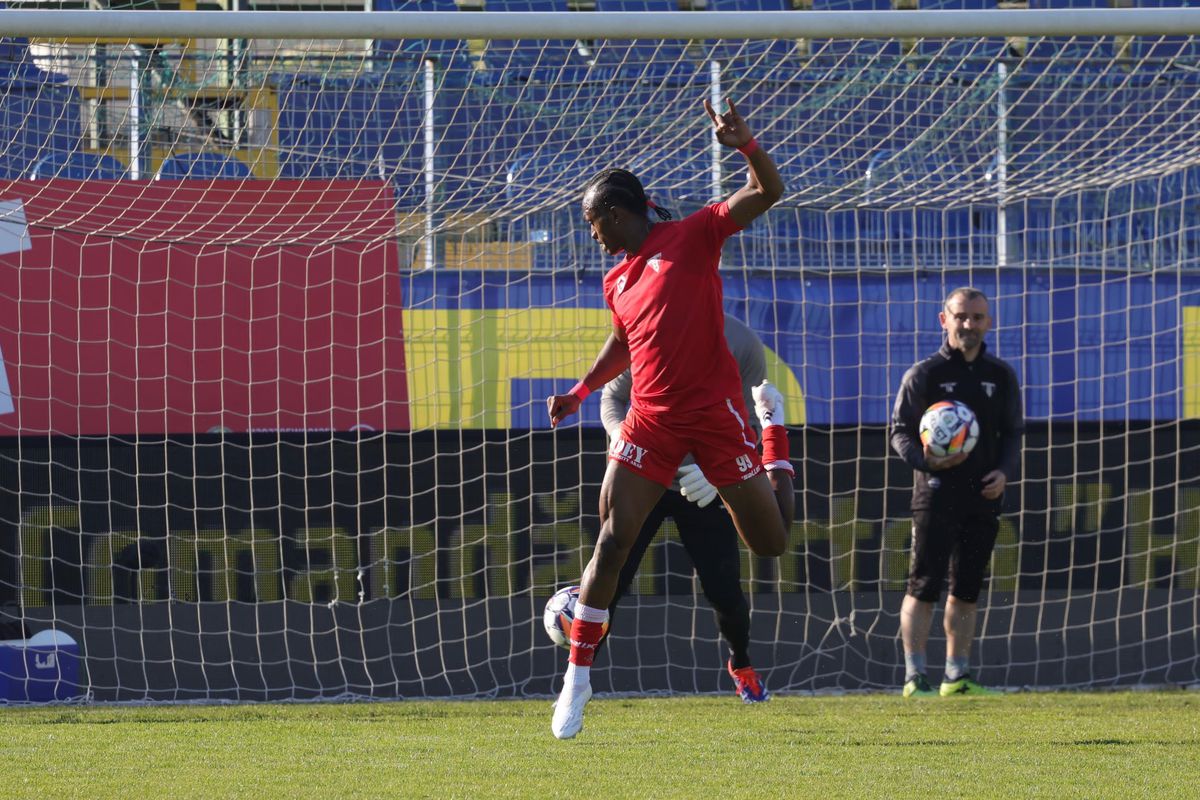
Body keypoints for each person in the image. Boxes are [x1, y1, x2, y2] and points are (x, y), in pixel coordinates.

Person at [545, 98, 795, 739]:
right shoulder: (616, 281)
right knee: (611, 540)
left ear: (615, 213)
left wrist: (746, 146)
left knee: (770, 543)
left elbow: (768, 191)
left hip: (715, 420)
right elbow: (622, 344)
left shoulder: (694, 234)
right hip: (650, 423)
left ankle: (775, 438)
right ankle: (577, 680)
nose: (590, 233)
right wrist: (580, 391)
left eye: (591, 221)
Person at [599, 314, 773, 704]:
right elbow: (612, 397)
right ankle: (576, 679)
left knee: (724, 588)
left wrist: (718, 473)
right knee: (610, 576)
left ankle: (742, 665)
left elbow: (753, 422)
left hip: (705, 483)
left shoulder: (742, 342)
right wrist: (623, 438)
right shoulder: (647, 328)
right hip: (643, 474)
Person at [890, 287, 1023, 698]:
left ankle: (957, 676)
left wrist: (1003, 472)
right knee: (923, 585)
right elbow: (899, 432)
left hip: (983, 496)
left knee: (967, 589)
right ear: (944, 319)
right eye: (961, 316)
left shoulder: (1000, 375)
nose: (969, 324)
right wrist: (928, 462)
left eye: (977, 317)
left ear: (989, 323)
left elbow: (1013, 433)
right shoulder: (924, 375)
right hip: (935, 494)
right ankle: (915, 678)